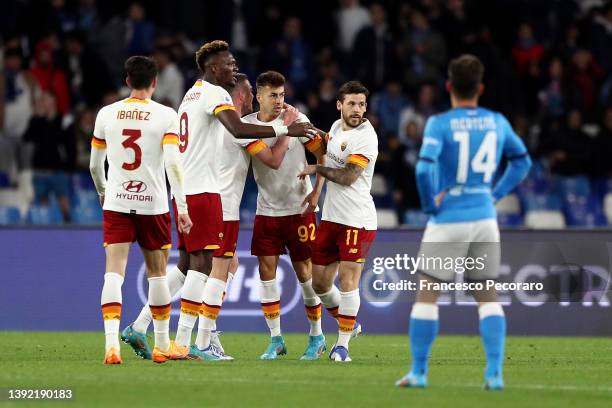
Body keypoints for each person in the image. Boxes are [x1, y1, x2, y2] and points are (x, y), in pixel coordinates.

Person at [122, 40, 314, 362]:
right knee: (208, 266)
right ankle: (189, 342)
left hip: (187, 191)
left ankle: (141, 326)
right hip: (211, 196)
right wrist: (285, 128)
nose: (235, 69)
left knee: (187, 266)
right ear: (214, 70)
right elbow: (251, 140)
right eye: (230, 64)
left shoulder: (191, 95)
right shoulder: (219, 100)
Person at [395, 54, 531, 390]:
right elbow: (522, 161)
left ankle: (420, 373)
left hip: (449, 216)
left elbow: (424, 169)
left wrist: (430, 206)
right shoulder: (497, 121)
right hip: (485, 217)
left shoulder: (439, 124)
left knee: (427, 295)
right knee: (487, 294)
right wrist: (494, 194)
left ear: (448, 86)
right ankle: (495, 374)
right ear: (480, 88)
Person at [89, 56, 192, 364]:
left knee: (113, 273)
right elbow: (173, 163)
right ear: (155, 83)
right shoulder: (165, 115)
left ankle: (111, 346)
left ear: (127, 81)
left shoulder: (107, 114)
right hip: (154, 204)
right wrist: (182, 207)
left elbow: (96, 165)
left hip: (118, 201)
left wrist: (103, 192)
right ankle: (161, 345)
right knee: (158, 275)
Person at [237, 71, 327, 360]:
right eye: (273, 95)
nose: (279, 101)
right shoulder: (248, 127)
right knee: (266, 274)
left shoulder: (297, 120)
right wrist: (287, 132)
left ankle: (316, 336)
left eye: (282, 95)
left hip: (299, 209)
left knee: (305, 274)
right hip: (268, 210)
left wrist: (317, 192)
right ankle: (276, 339)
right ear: (259, 96)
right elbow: (273, 162)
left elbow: (323, 153)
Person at [298, 81, 378, 362]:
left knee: (348, 282)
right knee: (318, 284)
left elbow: (347, 177)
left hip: (358, 220)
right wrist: (306, 128)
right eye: (352, 104)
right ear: (339, 105)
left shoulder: (367, 137)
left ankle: (342, 345)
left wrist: (316, 167)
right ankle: (350, 323)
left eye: (362, 104)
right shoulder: (334, 127)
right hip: (331, 219)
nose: (358, 110)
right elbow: (331, 148)